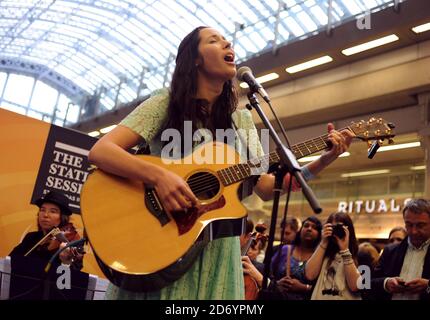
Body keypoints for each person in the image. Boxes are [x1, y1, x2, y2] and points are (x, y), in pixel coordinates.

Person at [88, 26, 354, 299]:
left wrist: (325, 159)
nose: (228, 45)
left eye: (228, 42)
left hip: (219, 252)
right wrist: (160, 176)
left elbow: (265, 186)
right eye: (215, 41)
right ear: (194, 59)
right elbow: (102, 151)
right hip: (164, 239)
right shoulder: (165, 103)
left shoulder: (243, 121)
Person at [371, 199, 430, 300]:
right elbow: (370, 282)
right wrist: (386, 283)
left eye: (420, 225)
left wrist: (428, 285)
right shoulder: (390, 251)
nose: (414, 231)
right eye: (409, 225)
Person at [9, 191, 84, 270]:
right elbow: (9, 260)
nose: (45, 215)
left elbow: (74, 274)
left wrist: (66, 262)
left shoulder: (72, 241)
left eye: (53, 211)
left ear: (62, 217)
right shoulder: (31, 237)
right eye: (42, 210)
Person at [305, 212, 362, 300]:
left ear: (348, 230)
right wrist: (324, 242)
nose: (336, 231)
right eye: (332, 228)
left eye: (340, 228)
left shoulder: (361, 254)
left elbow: (356, 286)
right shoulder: (322, 252)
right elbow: (309, 275)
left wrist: (345, 250)